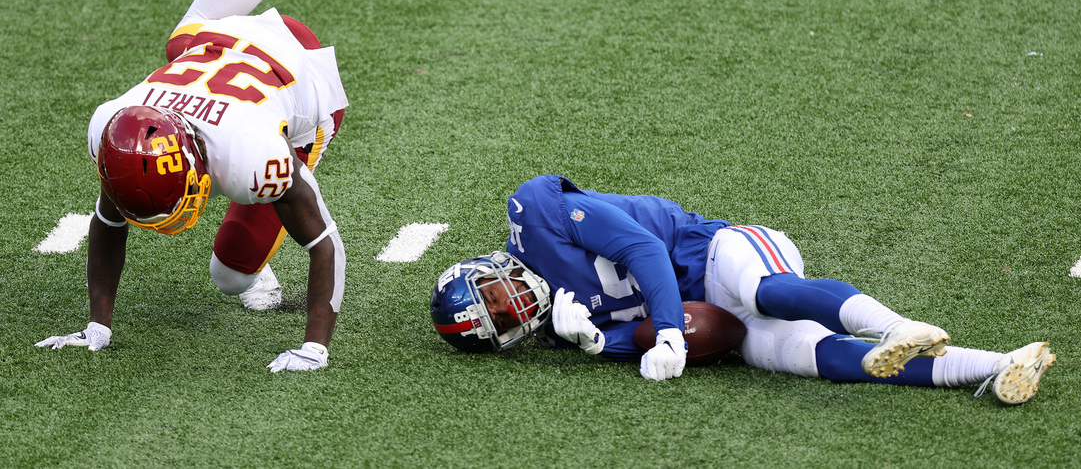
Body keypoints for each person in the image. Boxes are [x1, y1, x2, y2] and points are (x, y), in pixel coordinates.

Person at [36, 0, 355, 372]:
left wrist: (315, 348)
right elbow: (109, 214)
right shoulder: (115, 131)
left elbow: (323, 241)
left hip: (300, 79)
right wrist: (98, 326)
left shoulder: (252, 157)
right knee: (182, 37)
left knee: (231, 275)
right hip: (220, 47)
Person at [431, 175, 1056, 405]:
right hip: (708, 314)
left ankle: (893, 323)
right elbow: (636, 340)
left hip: (721, 254)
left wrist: (670, 330)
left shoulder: (534, 210)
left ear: (485, 270)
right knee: (818, 360)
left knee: (764, 293)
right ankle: (998, 367)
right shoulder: (559, 327)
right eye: (500, 320)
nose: (510, 306)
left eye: (491, 297)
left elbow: (644, 250)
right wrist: (600, 343)